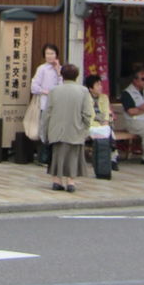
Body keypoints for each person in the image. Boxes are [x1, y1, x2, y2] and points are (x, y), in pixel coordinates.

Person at [45, 62, 93, 193]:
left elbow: (47, 113)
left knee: (57, 155)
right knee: (73, 156)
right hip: (75, 129)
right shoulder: (83, 91)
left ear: (62, 75)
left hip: (56, 130)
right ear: (77, 76)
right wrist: (85, 128)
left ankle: (56, 180)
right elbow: (87, 113)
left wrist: (45, 132)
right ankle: (71, 182)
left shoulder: (54, 91)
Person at [30, 43, 62, 163]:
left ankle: (53, 157)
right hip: (44, 104)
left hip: (58, 105)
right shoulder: (42, 69)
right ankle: (43, 158)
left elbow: (63, 86)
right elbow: (34, 87)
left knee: (55, 130)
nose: (49, 56)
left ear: (56, 55)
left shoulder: (61, 69)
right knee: (44, 130)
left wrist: (58, 72)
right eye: (47, 53)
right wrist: (46, 92)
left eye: (52, 53)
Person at [84, 73, 118, 173]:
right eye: (97, 85)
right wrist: (101, 123)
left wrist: (106, 122)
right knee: (105, 132)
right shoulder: (85, 98)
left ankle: (113, 159)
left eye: (100, 84)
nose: (100, 87)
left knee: (109, 132)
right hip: (90, 126)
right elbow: (90, 116)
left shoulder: (104, 97)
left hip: (103, 124)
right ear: (90, 88)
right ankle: (108, 156)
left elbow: (106, 112)